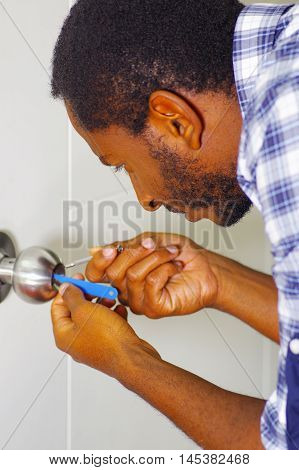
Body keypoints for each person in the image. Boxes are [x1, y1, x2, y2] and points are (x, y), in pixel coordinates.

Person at [50, 1, 299, 449]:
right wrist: (217, 280)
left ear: (175, 120)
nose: (144, 200)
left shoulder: (285, 135)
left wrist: (129, 361)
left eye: (122, 164)